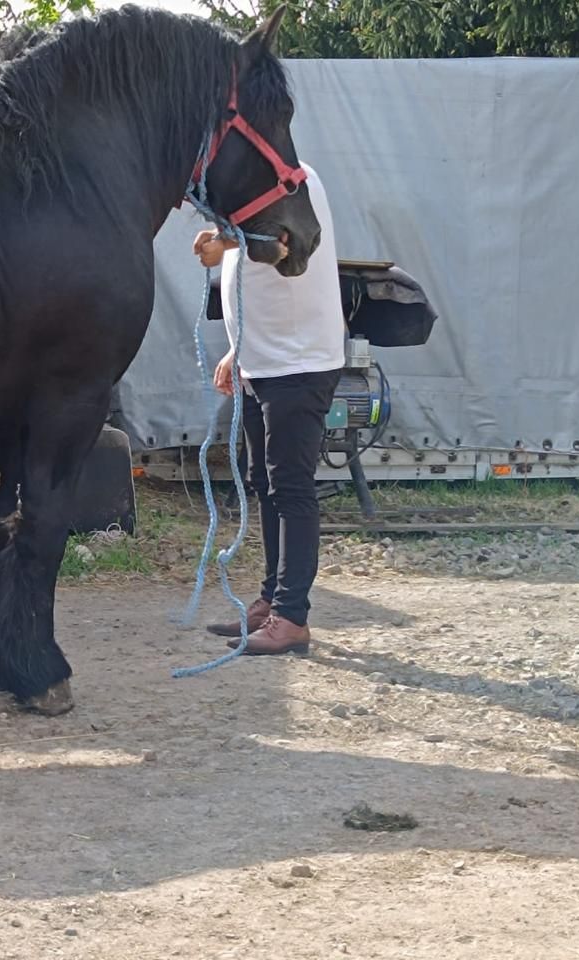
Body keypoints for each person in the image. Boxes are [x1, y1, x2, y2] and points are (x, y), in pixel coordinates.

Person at [192, 161, 344, 655]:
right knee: (265, 484)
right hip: (266, 361)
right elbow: (270, 288)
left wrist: (226, 242)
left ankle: (292, 618)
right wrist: (240, 349)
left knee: (291, 488)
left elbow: (283, 247)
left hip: (299, 364)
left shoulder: (297, 183)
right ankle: (272, 601)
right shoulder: (253, 193)